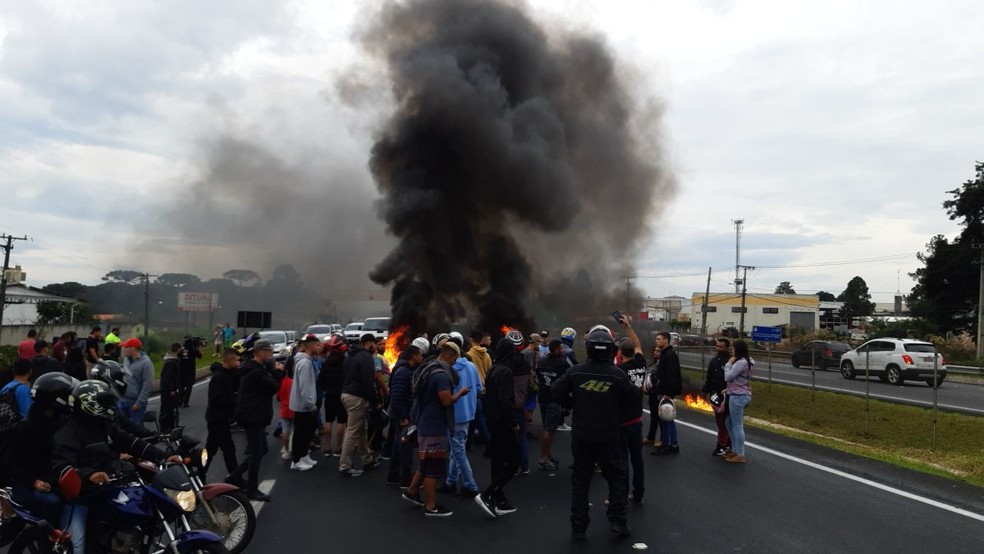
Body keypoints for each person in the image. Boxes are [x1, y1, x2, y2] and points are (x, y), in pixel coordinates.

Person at [53, 379, 176, 554]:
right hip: (81, 497)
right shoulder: (67, 434)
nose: (110, 406)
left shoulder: (103, 424)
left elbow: (130, 442)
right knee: (76, 548)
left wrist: (163, 455)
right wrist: (89, 475)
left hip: (108, 488)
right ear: (90, 403)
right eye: (105, 402)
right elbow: (61, 467)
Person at [552, 326, 634, 541]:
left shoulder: (576, 371)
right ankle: (617, 520)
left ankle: (579, 527)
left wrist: (571, 403)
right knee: (617, 478)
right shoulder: (617, 375)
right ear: (609, 350)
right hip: (608, 436)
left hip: (582, 436)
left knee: (581, 481)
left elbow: (555, 391)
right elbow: (632, 399)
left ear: (588, 348)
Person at [402, 343, 469, 517]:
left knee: (425, 462)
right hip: (434, 426)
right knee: (433, 467)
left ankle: (411, 491)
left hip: (425, 422)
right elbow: (446, 401)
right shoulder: (441, 376)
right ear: (448, 356)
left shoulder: (428, 369)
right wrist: (460, 393)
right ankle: (431, 505)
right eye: (454, 359)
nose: (455, 363)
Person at [1, 372, 76, 527]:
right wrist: (33, 482)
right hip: (26, 484)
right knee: (54, 501)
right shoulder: (26, 428)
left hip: (55, 480)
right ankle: (48, 539)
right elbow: (11, 462)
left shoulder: (62, 421)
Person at [227, 340, 283, 501]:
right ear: (259, 352)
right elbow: (272, 387)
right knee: (256, 453)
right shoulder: (255, 372)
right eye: (269, 352)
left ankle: (234, 476)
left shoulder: (255, 368)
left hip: (254, 414)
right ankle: (252, 490)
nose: (271, 355)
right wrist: (278, 372)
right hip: (253, 416)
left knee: (260, 450)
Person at [475, 338, 521, 519]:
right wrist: (513, 422)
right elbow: (505, 401)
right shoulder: (507, 372)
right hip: (503, 423)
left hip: (492, 422)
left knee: (498, 461)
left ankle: (499, 500)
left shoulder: (493, 368)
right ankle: (488, 494)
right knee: (513, 462)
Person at [441, 336, 481, 497]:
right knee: (457, 448)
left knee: (458, 451)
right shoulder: (471, 366)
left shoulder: (449, 370)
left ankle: (470, 485)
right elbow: (478, 389)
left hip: (454, 415)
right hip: (469, 413)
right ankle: (450, 481)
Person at [386, 338, 428, 488]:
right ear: (414, 355)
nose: (422, 358)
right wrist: (403, 416)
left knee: (400, 446)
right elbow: (396, 396)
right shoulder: (404, 372)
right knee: (406, 448)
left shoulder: (408, 370)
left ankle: (393, 475)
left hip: (404, 415)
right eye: (421, 355)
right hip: (402, 417)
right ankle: (406, 480)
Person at [339, 333, 380, 477]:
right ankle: (345, 465)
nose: (376, 346)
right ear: (368, 343)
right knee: (352, 431)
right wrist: (376, 402)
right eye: (375, 343)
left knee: (362, 429)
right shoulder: (366, 357)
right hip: (357, 398)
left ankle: (367, 459)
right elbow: (368, 382)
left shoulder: (350, 355)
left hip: (347, 394)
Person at [614, 316, 646, 503]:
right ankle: (639, 492)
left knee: (622, 460)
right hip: (637, 419)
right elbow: (638, 344)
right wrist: (628, 327)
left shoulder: (619, 371)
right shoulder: (641, 363)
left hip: (622, 421)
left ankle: (623, 493)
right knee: (637, 459)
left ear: (620, 352)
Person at [204, 349, 240, 479]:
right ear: (229, 361)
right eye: (236, 360)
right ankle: (236, 477)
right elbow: (214, 399)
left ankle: (200, 474)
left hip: (221, 418)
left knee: (211, 449)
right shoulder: (219, 377)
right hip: (217, 418)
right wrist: (232, 400)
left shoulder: (229, 374)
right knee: (228, 448)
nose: (238, 363)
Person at [289, 334, 323, 471]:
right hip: (303, 405)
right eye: (317, 345)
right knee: (301, 432)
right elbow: (305, 386)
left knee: (308, 431)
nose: (320, 348)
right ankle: (296, 460)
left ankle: (304, 455)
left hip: (306, 404)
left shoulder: (308, 361)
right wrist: (310, 403)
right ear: (309, 347)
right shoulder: (304, 363)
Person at [535, 340, 569, 471]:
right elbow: (566, 381)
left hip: (543, 398)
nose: (563, 350)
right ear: (556, 349)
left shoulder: (541, 361)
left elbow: (538, 375)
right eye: (561, 348)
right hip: (553, 401)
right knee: (549, 431)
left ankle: (547, 455)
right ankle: (543, 459)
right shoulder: (562, 363)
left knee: (546, 428)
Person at [723, 340, 753, 464]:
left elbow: (728, 376)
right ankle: (735, 450)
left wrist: (728, 364)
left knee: (737, 425)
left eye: (733, 348)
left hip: (738, 396)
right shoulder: (745, 361)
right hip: (737, 394)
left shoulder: (741, 362)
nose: (732, 350)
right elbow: (739, 379)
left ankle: (740, 454)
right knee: (729, 422)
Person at [651, 331, 681, 455]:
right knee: (668, 418)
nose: (656, 341)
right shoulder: (666, 354)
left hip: (665, 392)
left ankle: (666, 444)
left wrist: (667, 393)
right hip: (663, 391)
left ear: (666, 340)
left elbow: (671, 375)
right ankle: (673, 444)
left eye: (659, 339)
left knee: (666, 419)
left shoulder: (669, 355)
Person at [320, 333, 348, 456]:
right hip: (342, 394)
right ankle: (338, 448)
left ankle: (326, 447)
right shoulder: (345, 361)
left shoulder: (326, 363)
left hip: (330, 395)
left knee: (329, 420)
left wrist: (326, 388)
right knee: (341, 421)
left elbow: (320, 380)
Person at [703, 338, 732, 456]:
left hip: (726, 395)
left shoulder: (730, 362)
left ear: (726, 348)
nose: (718, 348)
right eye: (717, 346)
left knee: (724, 422)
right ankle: (727, 444)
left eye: (720, 347)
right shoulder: (714, 361)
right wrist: (705, 390)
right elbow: (709, 377)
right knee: (720, 421)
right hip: (715, 395)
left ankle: (722, 445)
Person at [466, 330, 493, 447]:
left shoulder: (469, 355)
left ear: (471, 339)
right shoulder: (487, 355)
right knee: (482, 417)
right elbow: (490, 372)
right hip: (485, 390)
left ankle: (478, 442)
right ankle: (482, 440)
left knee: (475, 418)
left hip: (474, 391)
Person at [119, 338, 153, 427]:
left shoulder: (146, 363)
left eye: (126, 347)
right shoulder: (126, 360)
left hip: (135, 401)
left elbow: (147, 384)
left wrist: (139, 403)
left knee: (137, 427)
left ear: (133, 349)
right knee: (122, 427)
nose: (123, 349)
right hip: (122, 399)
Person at [159, 343, 182, 432]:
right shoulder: (171, 362)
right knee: (167, 408)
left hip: (169, 388)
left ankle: (172, 425)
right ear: (177, 349)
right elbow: (167, 377)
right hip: (167, 390)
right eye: (180, 349)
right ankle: (165, 427)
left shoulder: (173, 361)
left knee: (172, 408)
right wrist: (171, 389)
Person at [643, 344, 662, 448]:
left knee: (661, 417)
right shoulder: (653, 365)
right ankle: (651, 437)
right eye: (655, 351)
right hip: (652, 394)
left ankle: (663, 439)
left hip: (659, 394)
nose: (655, 352)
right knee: (653, 416)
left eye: (658, 351)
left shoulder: (662, 366)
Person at [179, 336, 202, 407]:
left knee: (181, 386)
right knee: (189, 386)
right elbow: (200, 356)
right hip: (190, 370)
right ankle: (186, 402)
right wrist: (199, 348)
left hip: (181, 369)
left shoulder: (181, 350)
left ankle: (180, 400)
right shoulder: (193, 350)